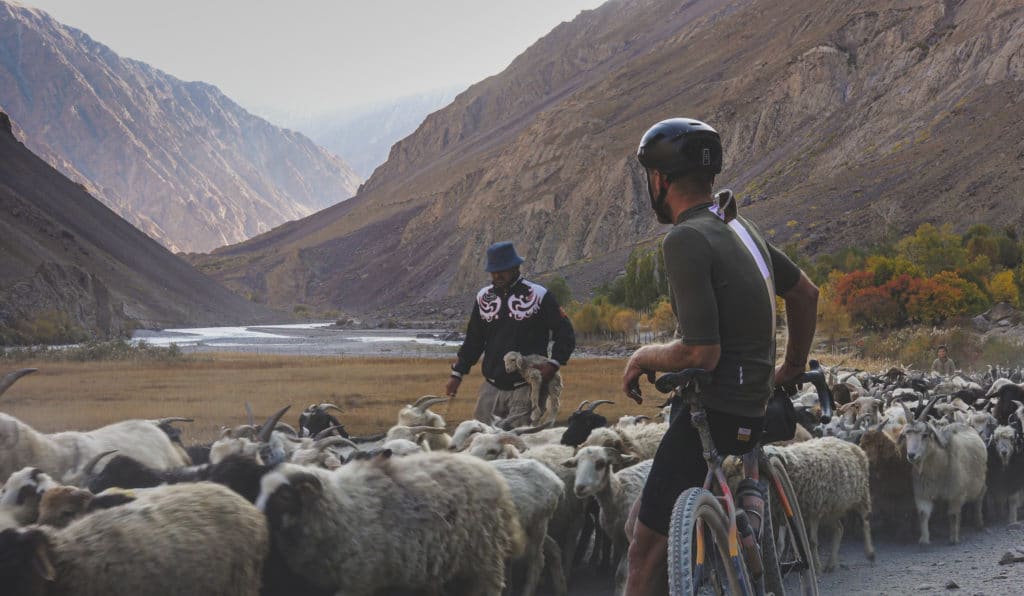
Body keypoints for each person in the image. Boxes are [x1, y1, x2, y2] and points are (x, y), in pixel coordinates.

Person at [620, 118, 820, 595]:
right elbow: (806, 294)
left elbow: (700, 352)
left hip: (713, 415)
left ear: (659, 179)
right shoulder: (741, 227)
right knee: (641, 518)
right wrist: (789, 369)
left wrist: (644, 355)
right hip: (755, 409)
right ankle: (744, 527)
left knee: (641, 551)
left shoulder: (685, 238)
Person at [445, 241, 576, 427]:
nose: (497, 275)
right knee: (479, 445)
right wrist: (457, 374)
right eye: (494, 270)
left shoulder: (539, 295)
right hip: (490, 388)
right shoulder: (483, 297)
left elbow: (565, 332)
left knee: (517, 445)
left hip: (526, 388)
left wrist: (553, 364)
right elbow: (474, 340)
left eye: (503, 269)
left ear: (515, 267)